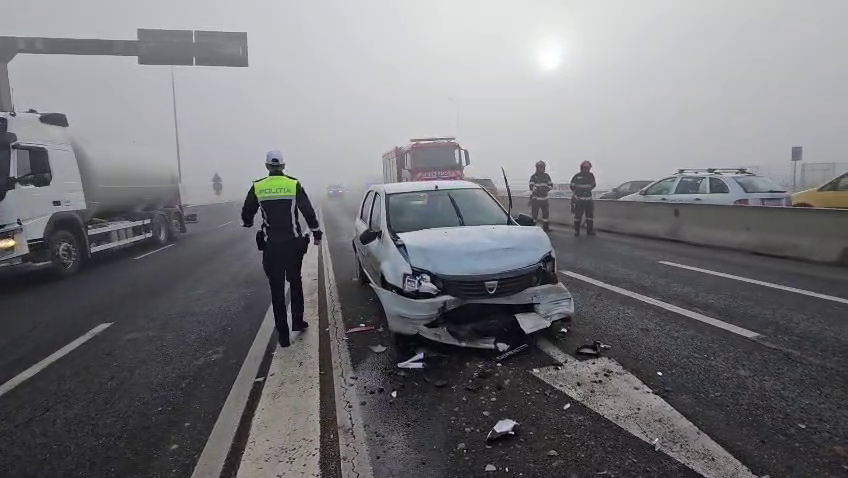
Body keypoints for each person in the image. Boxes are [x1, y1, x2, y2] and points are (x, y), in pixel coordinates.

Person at [242, 150, 323, 348]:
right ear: (283, 166)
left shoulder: (258, 186)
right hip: (293, 244)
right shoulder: (293, 184)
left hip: (272, 247)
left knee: (276, 290)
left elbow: (247, 212)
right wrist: (316, 231)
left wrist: (248, 222)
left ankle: (283, 336)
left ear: (267, 166)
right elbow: (307, 210)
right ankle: (298, 321)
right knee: (295, 282)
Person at [570, 160, 597, 236]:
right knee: (578, 216)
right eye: (585, 167)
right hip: (579, 200)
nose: (587, 169)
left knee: (590, 217)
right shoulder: (577, 176)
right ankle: (577, 231)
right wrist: (578, 193)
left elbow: (593, 184)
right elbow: (571, 186)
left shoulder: (591, 176)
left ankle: (589, 231)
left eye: (588, 167)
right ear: (582, 168)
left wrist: (587, 189)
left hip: (588, 200)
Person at [529, 160, 553, 232]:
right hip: (535, 200)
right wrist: (537, 190)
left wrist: (545, 190)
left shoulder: (546, 176)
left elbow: (551, 185)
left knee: (546, 216)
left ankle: (546, 228)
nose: (540, 169)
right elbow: (531, 186)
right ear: (536, 168)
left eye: (542, 167)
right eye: (539, 167)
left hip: (544, 200)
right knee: (534, 216)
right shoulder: (533, 177)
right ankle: (532, 228)